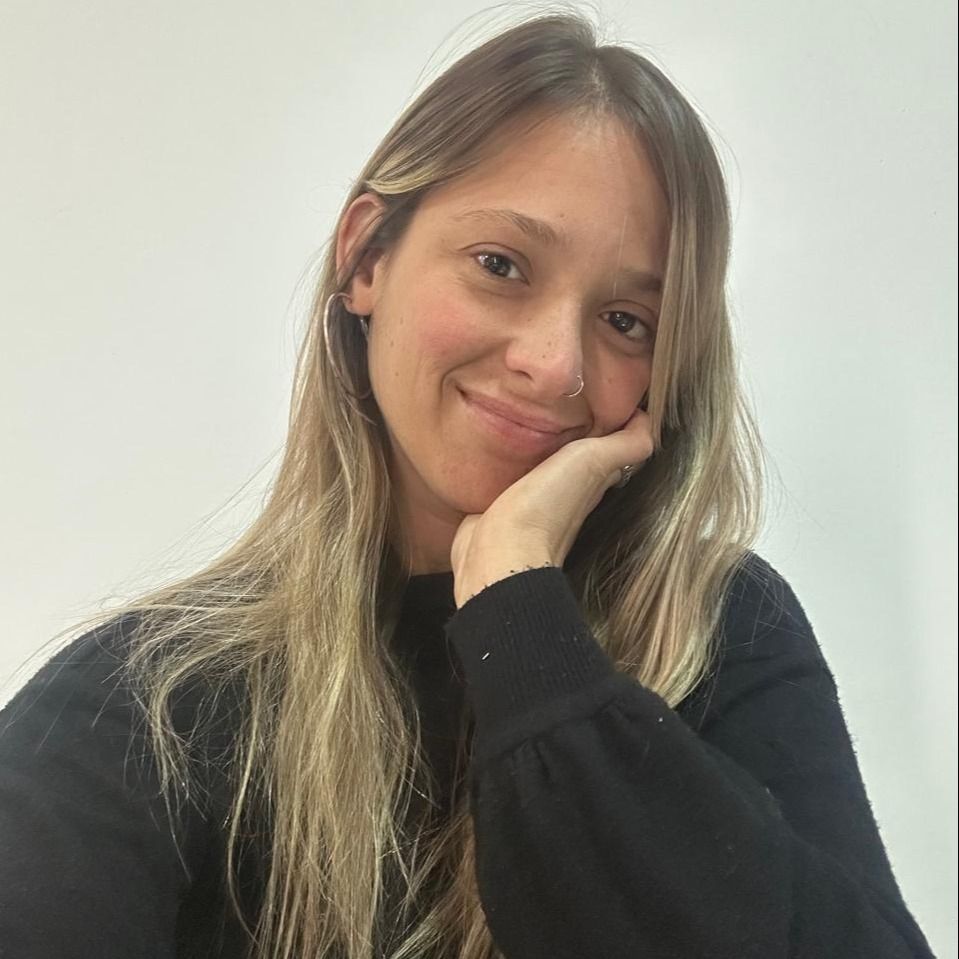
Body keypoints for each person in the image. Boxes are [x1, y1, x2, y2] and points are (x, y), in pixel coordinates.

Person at [0, 12, 936, 959]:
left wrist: (520, 616)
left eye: (626, 320)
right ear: (367, 256)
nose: (554, 363)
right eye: (501, 266)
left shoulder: (719, 631)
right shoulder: (150, 704)